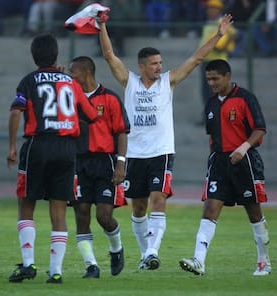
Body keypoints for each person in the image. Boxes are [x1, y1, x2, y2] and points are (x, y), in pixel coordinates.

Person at [97, 9, 233, 270]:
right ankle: (145, 253)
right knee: (137, 207)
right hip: (135, 153)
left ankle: (152, 252)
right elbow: (108, 55)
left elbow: (195, 59)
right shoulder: (129, 81)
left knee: (158, 200)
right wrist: (102, 26)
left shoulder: (167, 82)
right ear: (142, 66)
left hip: (161, 152)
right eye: (155, 64)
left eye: (160, 63)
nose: (160, 67)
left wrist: (217, 35)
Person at [7, 33, 97, 284]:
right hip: (67, 148)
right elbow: (91, 115)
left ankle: (28, 264)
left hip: (38, 144)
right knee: (58, 209)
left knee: (27, 202)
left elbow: (16, 112)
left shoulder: (29, 80)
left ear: (33, 56)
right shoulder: (70, 82)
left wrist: (12, 146)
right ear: (56, 55)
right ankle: (55, 272)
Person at [179, 59, 271, 276]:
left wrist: (243, 147)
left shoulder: (245, 98)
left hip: (245, 161)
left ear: (227, 76)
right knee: (210, 208)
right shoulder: (211, 103)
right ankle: (198, 260)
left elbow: (259, 129)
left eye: (215, 78)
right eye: (208, 78)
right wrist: (214, 158)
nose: (211, 82)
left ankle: (263, 261)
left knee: (254, 213)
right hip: (220, 163)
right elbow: (212, 136)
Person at [69, 56, 130, 278]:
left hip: (105, 162)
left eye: (73, 72)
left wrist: (121, 164)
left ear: (85, 73)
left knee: (103, 216)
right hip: (78, 162)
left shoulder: (110, 98)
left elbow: (121, 131)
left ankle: (116, 249)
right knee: (82, 213)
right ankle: (91, 266)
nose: (70, 76)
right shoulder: (69, 99)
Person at [199, 0, 236, 116]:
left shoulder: (221, 22)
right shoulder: (208, 23)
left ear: (219, 10)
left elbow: (233, 34)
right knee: (206, 92)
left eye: (213, 8)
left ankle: (220, 116)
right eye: (209, 8)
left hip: (218, 62)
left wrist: (223, 46)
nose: (210, 11)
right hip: (206, 61)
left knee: (217, 91)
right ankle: (209, 116)